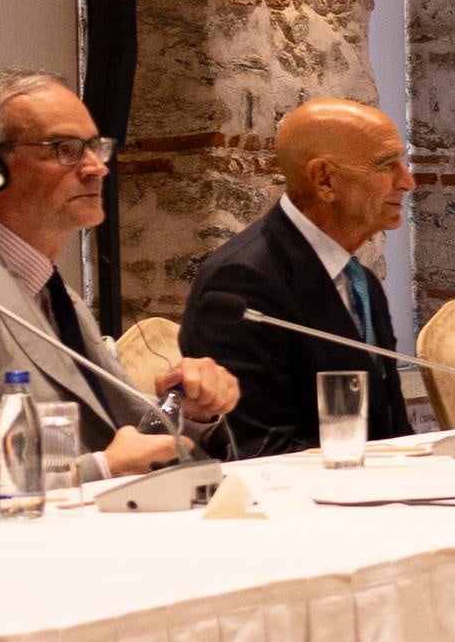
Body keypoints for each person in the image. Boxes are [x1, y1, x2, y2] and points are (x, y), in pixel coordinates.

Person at [0, 68, 239, 481]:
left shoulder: (52, 291)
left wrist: (189, 412)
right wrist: (100, 469)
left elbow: (124, 440)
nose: (96, 168)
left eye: (95, 148)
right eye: (64, 150)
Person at [180, 97, 425, 459]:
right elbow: (259, 447)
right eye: (386, 165)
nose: (408, 182)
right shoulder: (242, 283)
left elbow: (387, 426)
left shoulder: (361, 282)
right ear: (324, 180)